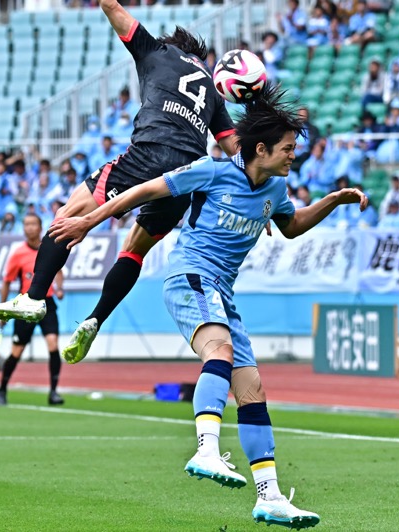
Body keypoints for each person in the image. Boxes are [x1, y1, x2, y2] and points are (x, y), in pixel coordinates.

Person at [49, 86, 363, 528]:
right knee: (220, 352)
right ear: (261, 148)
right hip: (190, 277)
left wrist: (332, 201)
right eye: (289, 148)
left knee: (252, 388)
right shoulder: (211, 171)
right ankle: (206, 448)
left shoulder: (275, 187)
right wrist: (89, 219)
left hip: (222, 291)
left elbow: (290, 226)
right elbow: (141, 192)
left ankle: (269, 496)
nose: (295, 156)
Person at [0, 2, 239, 351]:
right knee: (134, 251)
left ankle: (33, 296)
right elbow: (235, 150)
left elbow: (110, 5)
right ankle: (96, 319)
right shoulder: (212, 87)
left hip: (150, 152)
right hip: (186, 178)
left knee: (67, 214)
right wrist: (253, 197)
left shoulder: (157, 51)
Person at [0, 214, 65, 407]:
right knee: (17, 351)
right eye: (26, 224)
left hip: (47, 304)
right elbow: (7, 282)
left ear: (40, 227)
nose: (30, 228)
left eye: (33, 224)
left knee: (53, 344)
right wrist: (4, 310)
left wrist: (59, 288)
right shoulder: (18, 254)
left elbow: (58, 271)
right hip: (26, 306)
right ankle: (2, 389)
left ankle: (53, 392)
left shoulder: (49, 249)